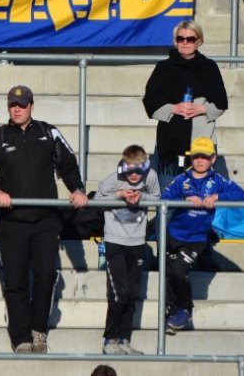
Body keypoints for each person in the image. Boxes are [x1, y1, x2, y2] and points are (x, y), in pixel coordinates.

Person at [0, 84, 87, 354]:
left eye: (22, 105)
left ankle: (39, 329)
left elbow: (68, 164)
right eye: (12, 105)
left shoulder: (48, 132)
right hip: (11, 220)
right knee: (15, 280)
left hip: (45, 219)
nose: (17, 109)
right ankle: (20, 337)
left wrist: (77, 189)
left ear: (31, 106)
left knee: (46, 274)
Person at [161, 137, 244, 334]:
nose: (200, 161)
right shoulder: (182, 179)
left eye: (205, 157)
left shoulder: (218, 181)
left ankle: (185, 309)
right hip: (174, 235)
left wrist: (218, 196)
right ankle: (173, 313)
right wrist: (184, 197)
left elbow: (241, 194)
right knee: (169, 275)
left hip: (197, 239)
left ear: (213, 158)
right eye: (196, 157)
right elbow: (164, 197)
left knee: (179, 271)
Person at [94, 144, 160, 355]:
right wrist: (119, 195)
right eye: (129, 170)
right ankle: (109, 339)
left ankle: (124, 339)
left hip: (137, 242)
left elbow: (158, 199)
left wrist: (142, 197)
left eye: (138, 170)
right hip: (115, 241)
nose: (133, 175)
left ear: (145, 167)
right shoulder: (114, 179)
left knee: (132, 294)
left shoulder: (150, 177)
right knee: (119, 293)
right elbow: (95, 201)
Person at [143, 20, 229, 178]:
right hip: (169, 144)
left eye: (190, 39)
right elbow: (150, 100)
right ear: (175, 41)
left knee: (201, 192)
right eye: (180, 38)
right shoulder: (163, 68)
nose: (184, 42)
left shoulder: (209, 68)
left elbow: (221, 103)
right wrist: (173, 108)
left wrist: (201, 109)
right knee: (169, 191)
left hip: (202, 143)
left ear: (199, 41)